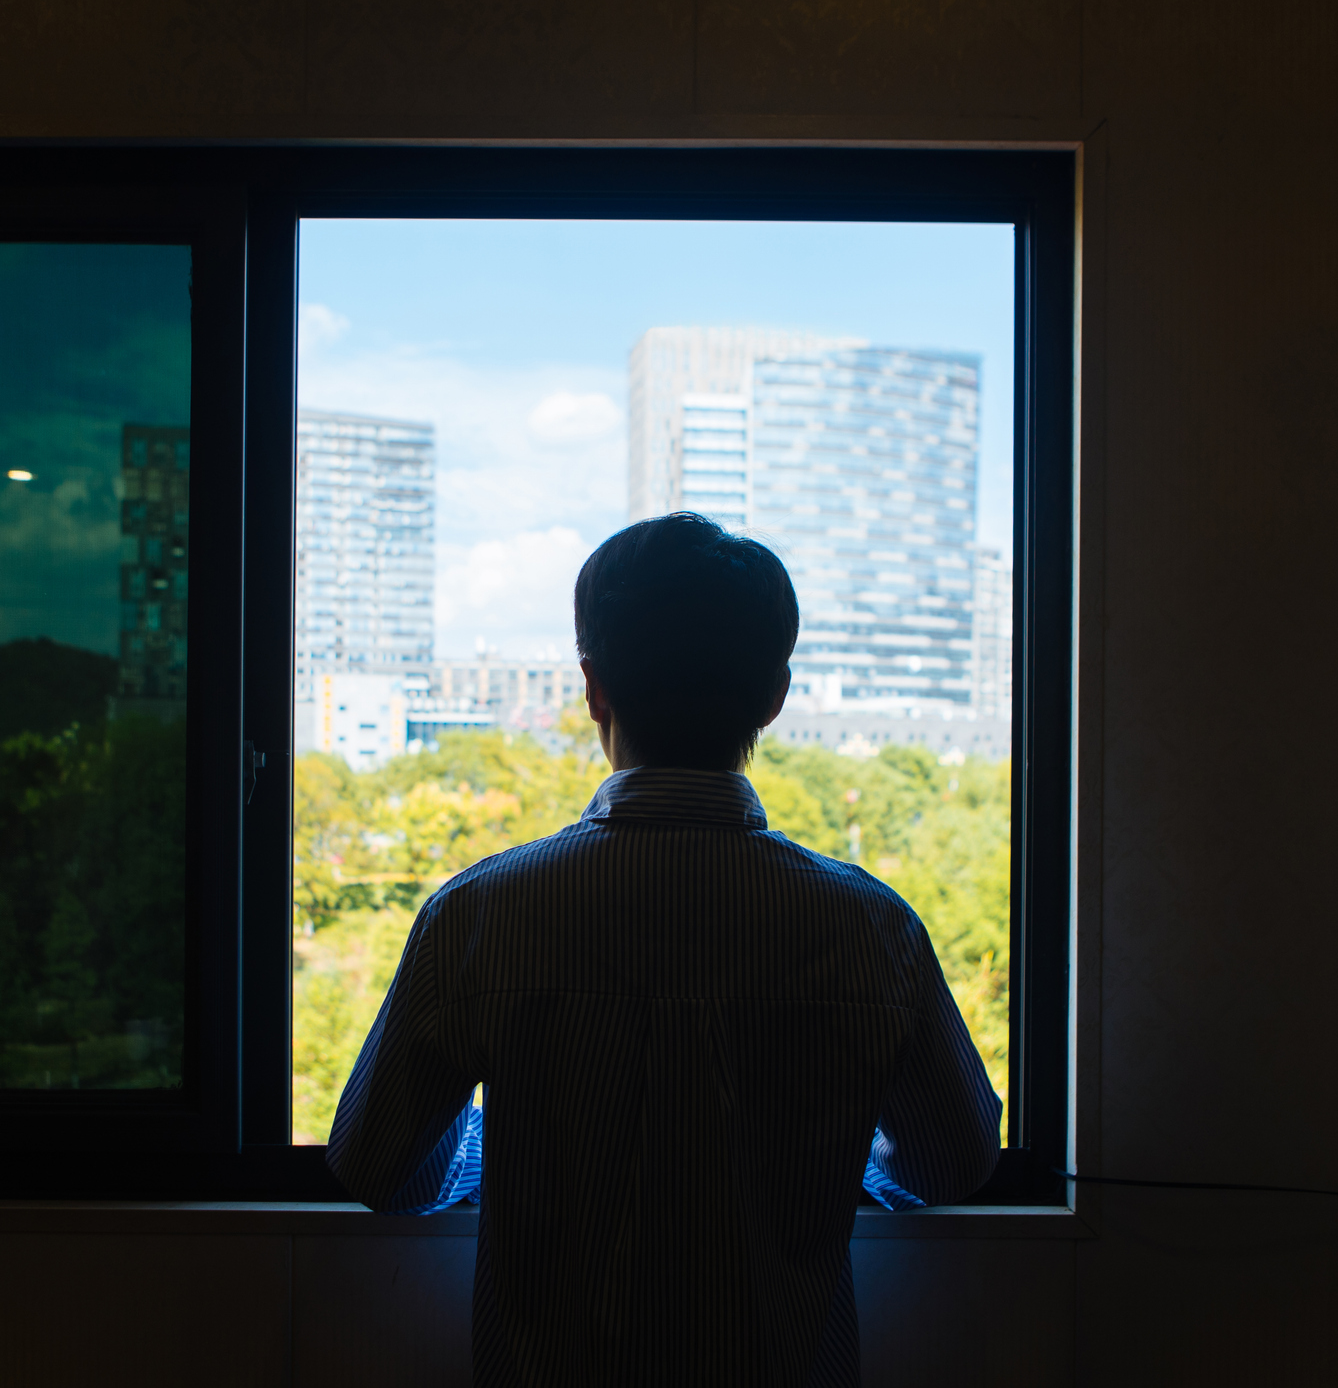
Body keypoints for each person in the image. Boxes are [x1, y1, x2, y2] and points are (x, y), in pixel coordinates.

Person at [326, 513, 1002, 1388]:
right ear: (774, 696)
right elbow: (954, 1163)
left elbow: (381, 1168)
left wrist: (502, 1144)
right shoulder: (872, 930)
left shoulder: (480, 915)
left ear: (593, 688)